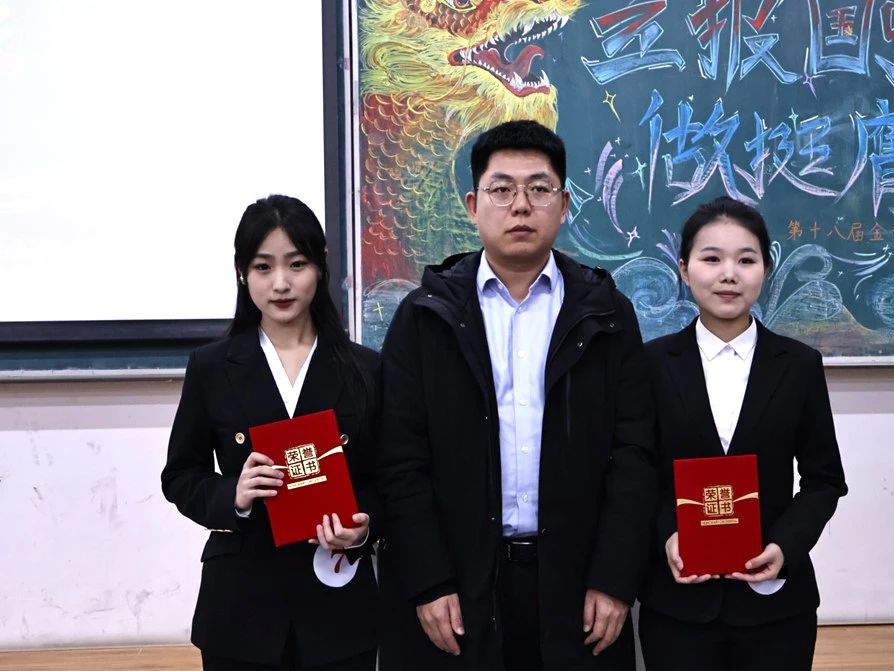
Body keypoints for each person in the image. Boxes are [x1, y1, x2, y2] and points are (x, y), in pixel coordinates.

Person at [376, 120, 656, 671]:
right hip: (458, 586)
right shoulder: (425, 316)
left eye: (539, 188)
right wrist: (428, 580)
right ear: (473, 205)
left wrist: (614, 579)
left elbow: (634, 456)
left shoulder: (606, 313)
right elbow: (400, 460)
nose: (521, 206)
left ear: (564, 204)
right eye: (502, 189)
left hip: (577, 585)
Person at [161, 195, 381, 671]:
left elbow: (393, 479)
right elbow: (180, 476)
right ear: (243, 273)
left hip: (338, 610)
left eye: (296, 264)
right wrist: (234, 495)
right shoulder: (212, 367)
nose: (281, 283)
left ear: (320, 267)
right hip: (241, 609)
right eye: (263, 267)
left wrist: (364, 527)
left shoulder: (366, 370)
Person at [639, 196, 848, 671]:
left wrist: (784, 547)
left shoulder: (799, 365)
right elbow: (637, 472)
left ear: (766, 270)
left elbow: (824, 480)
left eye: (746, 260)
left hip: (775, 607)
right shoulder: (651, 365)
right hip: (677, 605)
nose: (729, 274)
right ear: (684, 269)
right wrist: (668, 536)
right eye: (711, 259)